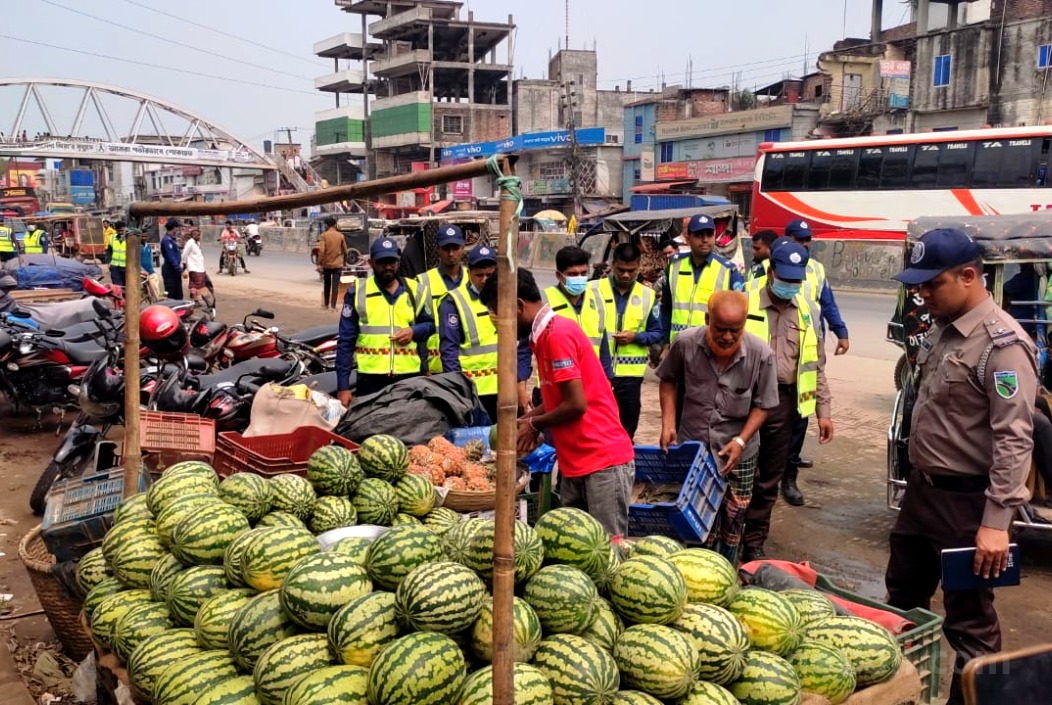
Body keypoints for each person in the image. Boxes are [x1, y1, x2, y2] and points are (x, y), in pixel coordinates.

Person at [884, 228, 1037, 705]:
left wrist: (995, 524)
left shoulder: (1003, 346)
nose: (922, 294)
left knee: (969, 625)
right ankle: (901, 693)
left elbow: (1015, 440)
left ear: (969, 276)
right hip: (923, 496)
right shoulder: (944, 329)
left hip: (969, 510)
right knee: (901, 607)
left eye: (932, 284)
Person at [481, 266, 635, 537]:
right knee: (575, 550)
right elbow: (559, 398)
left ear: (518, 305)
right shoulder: (542, 338)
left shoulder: (557, 335)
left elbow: (576, 405)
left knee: (608, 550)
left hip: (601, 460)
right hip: (576, 460)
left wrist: (536, 424)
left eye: (499, 314)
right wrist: (529, 418)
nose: (498, 323)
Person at [657, 290, 779, 564]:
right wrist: (667, 423)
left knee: (733, 518)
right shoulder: (686, 343)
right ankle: (692, 566)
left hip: (740, 451)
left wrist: (741, 441)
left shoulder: (762, 354)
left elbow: (764, 405)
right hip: (695, 446)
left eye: (734, 331)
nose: (726, 337)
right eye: (720, 329)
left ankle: (725, 567)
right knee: (694, 517)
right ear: (707, 319)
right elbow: (668, 380)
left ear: (744, 324)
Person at [741, 241, 834, 562]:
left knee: (769, 478)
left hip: (783, 402)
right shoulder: (744, 300)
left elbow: (816, 366)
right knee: (735, 470)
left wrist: (824, 411)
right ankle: (724, 531)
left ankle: (753, 540)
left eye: (796, 281)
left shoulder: (808, 310)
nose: (790, 286)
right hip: (742, 400)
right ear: (770, 272)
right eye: (785, 279)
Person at [778, 219, 850, 507]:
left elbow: (828, 304)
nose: (806, 244)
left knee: (799, 417)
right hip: (774, 356)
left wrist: (840, 332)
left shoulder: (817, 270)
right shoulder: (764, 272)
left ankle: (789, 476)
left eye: (808, 239)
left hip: (808, 350)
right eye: (800, 239)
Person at [334, 238, 434, 407]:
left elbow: (430, 325)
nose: (388, 267)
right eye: (382, 262)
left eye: (392, 262)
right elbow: (345, 342)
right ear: (371, 263)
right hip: (370, 380)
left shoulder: (416, 291)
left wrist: (413, 331)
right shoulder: (357, 293)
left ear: (398, 261)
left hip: (408, 377)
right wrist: (343, 387)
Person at [593, 242, 661, 439]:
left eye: (631, 271)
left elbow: (657, 332)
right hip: (599, 373)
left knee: (626, 431)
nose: (625, 275)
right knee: (597, 430)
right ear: (613, 265)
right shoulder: (594, 290)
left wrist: (636, 337)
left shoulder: (648, 295)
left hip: (631, 378)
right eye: (621, 270)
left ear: (639, 266)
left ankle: (622, 469)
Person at [660, 214, 745, 346]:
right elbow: (666, 308)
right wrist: (665, 343)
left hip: (710, 348)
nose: (705, 240)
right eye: (699, 235)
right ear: (688, 237)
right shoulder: (674, 266)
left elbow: (739, 316)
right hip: (677, 346)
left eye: (709, 234)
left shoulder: (728, 271)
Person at [439, 244, 499, 422]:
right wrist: (460, 390)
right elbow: (449, 351)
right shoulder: (454, 301)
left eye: (490, 275)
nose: (484, 280)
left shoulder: (508, 298)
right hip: (474, 393)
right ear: (469, 272)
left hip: (504, 389)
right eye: (479, 275)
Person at [542, 246, 613, 376]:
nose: (579, 278)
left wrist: (608, 377)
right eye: (573, 274)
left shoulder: (597, 298)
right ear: (559, 275)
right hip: (558, 381)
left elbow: (603, 344)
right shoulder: (545, 301)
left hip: (591, 379)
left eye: (584, 273)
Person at [420, 225, 467, 374]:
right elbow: (418, 327)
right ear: (438, 250)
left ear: (463, 248)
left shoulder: (474, 279)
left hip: (470, 368)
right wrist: (423, 365)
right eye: (446, 248)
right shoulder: (423, 282)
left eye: (455, 248)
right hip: (435, 368)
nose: (451, 253)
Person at [316, 216, 348, 310]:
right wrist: (344, 262)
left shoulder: (324, 235)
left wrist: (319, 263)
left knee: (327, 284)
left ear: (326, 225)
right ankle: (333, 307)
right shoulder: (340, 236)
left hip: (327, 264)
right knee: (335, 286)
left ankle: (326, 305)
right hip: (338, 265)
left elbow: (321, 251)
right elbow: (345, 251)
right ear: (335, 225)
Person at [181, 227, 207, 300]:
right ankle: (197, 300)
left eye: (198, 235)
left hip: (200, 267)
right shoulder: (190, 243)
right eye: (196, 235)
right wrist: (184, 266)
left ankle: (194, 298)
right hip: (194, 268)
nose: (198, 236)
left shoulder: (197, 243)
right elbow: (184, 255)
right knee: (198, 285)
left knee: (195, 284)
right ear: (192, 235)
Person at [160, 218, 183, 299]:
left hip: (174, 270)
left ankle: (176, 310)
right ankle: (163, 305)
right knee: (170, 293)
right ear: (174, 228)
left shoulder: (172, 240)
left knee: (178, 293)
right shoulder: (167, 240)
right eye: (176, 228)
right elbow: (171, 257)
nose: (177, 230)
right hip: (170, 269)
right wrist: (179, 269)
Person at [140, 231, 161, 301]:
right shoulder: (137, 247)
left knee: (156, 280)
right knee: (152, 282)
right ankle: (157, 298)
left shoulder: (148, 246)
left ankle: (158, 298)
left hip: (150, 270)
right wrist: (141, 270)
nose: (144, 238)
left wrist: (151, 268)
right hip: (141, 271)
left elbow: (151, 258)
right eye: (142, 236)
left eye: (145, 236)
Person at [107, 221, 127, 287]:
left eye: (122, 230)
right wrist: (109, 262)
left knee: (126, 286)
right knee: (117, 287)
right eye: (118, 231)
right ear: (115, 230)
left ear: (125, 229)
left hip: (126, 267)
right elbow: (109, 251)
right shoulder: (112, 237)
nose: (120, 232)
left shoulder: (129, 238)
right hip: (115, 267)